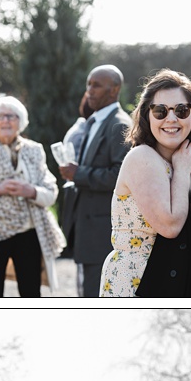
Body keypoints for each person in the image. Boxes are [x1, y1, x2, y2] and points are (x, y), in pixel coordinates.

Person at [101, 70, 191, 298]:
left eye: (182, 111)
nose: (171, 119)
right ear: (147, 115)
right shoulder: (142, 157)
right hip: (138, 280)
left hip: (187, 280)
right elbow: (170, 225)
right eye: (160, 111)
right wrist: (182, 171)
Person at [0, 95, 66, 297]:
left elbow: (50, 190)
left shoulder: (34, 150)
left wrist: (30, 191)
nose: (5, 120)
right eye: (0, 116)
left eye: (11, 116)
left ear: (20, 121)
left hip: (28, 231)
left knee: (31, 292)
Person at [58, 65, 131, 298]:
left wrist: (78, 174)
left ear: (115, 89)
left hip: (101, 232)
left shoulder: (118, 124)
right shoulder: (95, 121)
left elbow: (120, 175)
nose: (89, 90)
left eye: (96, 85)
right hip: (85, 228)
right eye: (88, 84)